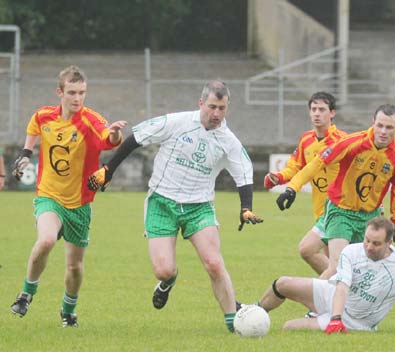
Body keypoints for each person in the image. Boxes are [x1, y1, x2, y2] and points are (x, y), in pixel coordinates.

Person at [87, 80, 263, 333]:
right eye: (212, 107)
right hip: (162, 203)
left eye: (222, 108)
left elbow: (244, 174)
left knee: (214, 262)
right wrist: (109, 169)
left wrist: (245, 207)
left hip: (199, 207)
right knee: (163, 269)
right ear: (201, 103)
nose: (216, 114)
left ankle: (233, 322)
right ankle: (168, 282)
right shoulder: (176, 123)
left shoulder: (229, 140)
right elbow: (136, 138)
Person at [10, 65, 127, 327]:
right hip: (49, 196)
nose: (77, 98)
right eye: (72, 92)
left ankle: (68, 311)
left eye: (82, 93)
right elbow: (33, 127)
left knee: (74, 267)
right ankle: (26, 294)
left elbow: (110, 138)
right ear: (60, 92)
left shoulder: (90, 120)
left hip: (80, 204)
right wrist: (26, 154)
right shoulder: (44, 116)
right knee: (47, 240)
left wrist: (117, 131)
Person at [277, 104, 395, 280]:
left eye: (389, 127)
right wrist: (292, 187)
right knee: (338, 267)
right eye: (380, 125)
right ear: (373, 123)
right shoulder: (352, 142)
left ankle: (340, 300)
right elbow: (318, 162)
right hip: (340, 211)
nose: (383, 131)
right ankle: (317, 305)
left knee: (359, 272)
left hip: (369, 217)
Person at [256, 216, 395, 333]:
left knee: (288, 328)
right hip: (332, 297)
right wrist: (335, 318)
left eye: (376, 243)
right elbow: (342, 287)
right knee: (282, 283)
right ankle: (254, 312)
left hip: (354, 321)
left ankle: (323, 320)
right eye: (367, 240)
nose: (369, 247)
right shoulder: (351, 251)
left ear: (389, 242)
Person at [264, 92, 346, 275]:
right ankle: (339, 294)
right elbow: (295, 167)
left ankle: (327, 295)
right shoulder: (306, 139)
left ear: (332, 113)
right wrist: (278, 177)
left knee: (310, 251)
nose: (317, 113)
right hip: (321, 211)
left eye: (322, 109)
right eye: (313, 109)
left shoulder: (342, 141)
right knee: (333, 264)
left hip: (342, 210)